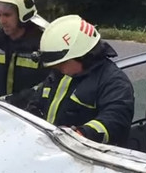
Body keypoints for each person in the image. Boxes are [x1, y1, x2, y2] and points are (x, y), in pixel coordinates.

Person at [26, 14, 135, 148]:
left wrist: (81, 134)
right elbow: (36, 101)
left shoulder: (114, 82)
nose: (57, 68)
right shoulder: (62, 74)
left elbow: (115, 120)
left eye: (61, 64)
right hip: (52, 150)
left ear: (81, 55)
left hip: (86, 159)